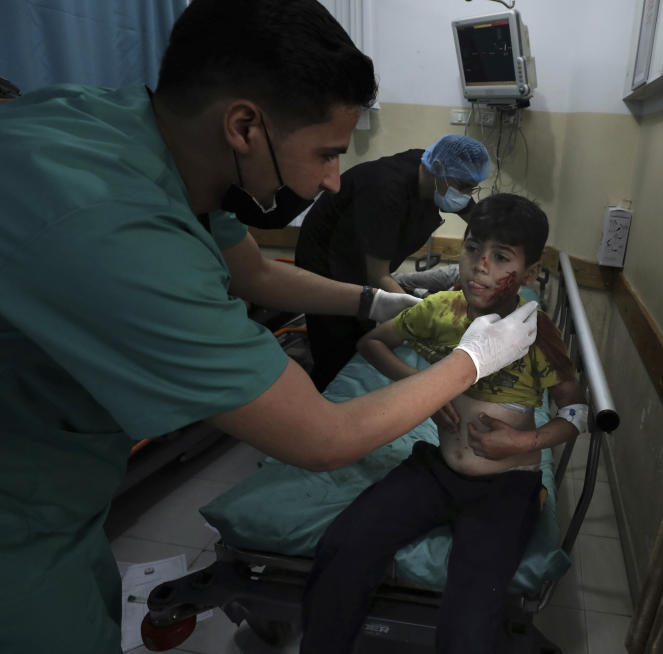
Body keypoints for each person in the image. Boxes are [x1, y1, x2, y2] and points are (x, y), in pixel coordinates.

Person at [0, 3, 537, 653]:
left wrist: (375, 302)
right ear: (245, 126)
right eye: (327, 153)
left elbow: (254, 273)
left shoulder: (134, 139)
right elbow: (321, 436)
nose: (334, 179)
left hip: (61, 487)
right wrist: (473, 360)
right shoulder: (113, 228)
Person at [300, 194, 589, 654]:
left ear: (531, 273)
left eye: (501, 258)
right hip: (437, 471)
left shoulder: (536, 331)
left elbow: (576, 413)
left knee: (470, 623)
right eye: (473, 249)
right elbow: (372, 344)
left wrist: (522, 440)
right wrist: (422, 390)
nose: (480, 266)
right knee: (344, 546)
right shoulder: (441, 311)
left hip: (506, 486)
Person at [294, 134, 491, 390]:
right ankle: (321, 401)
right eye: (463, 187)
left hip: (361, 261)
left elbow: (478, 219)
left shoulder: (436, 171)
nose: (465, 195)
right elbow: (379, 275)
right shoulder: (386, 191)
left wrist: (505, 244)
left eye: (471, 188)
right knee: (339, 346)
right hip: (325, 263)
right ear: (439, 171)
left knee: (364, 324)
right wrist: (422, 317)